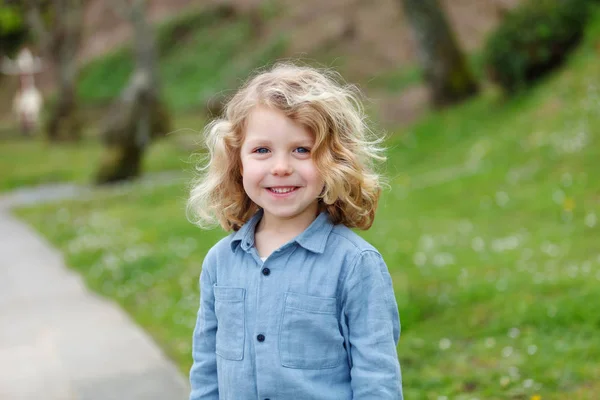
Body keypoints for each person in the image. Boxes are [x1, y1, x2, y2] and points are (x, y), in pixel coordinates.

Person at [187, 62, 403, 400]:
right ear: (237, 162)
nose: (281, 167)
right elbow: (206, 372)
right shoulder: (220, 263)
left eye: (302, 150)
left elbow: (377, 380)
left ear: (334, 159)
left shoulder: (355, 265)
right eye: (262, 150)